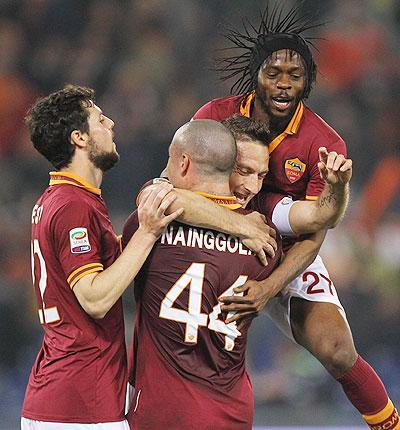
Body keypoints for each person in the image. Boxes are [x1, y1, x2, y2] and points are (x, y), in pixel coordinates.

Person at [190, 4, 399, 430]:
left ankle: (391, 425)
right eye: (274, 74)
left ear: (308, 83)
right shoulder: (214, 117)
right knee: (184, 337)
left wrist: (269, 287)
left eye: (295, 76)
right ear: (256, 76)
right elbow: (177, 180)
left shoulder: (324, 143)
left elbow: (315, 232)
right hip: (215, 238)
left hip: (285, 250)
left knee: (338, 349)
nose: (284, 85)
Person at [21, 85, 183, 429]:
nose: (111, 124)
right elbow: (94, 298)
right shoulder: (73, 206)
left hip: (61, 394)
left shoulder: (62, 198)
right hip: (81, 404)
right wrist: (148, 233)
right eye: (99, 118)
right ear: (79, 138)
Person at [121, 119, 282, 430]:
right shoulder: (264, 242)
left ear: (183, 163)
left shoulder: (149, 225)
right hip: (232, 412)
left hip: (161, 410)